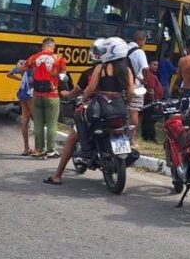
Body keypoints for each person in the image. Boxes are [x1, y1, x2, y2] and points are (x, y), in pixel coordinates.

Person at [44, 37, 134, 185]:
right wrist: (126, 104)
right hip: (121, 108)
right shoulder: (127, 70)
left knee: (77, 119)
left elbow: (90, 89)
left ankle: (69, 165)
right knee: (123, 127)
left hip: (102, 108)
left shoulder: (100, 68)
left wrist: (84, 100)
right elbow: (131, 91)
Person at [25, 38, 66, 159]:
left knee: (38, 124)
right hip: (52, 95)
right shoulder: (59, 59)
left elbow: (25, 67)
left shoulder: (34, 57)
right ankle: (51, 151)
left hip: (37, 95)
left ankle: (39, 150)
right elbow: (63, 76)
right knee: (52, 124)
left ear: (43, 47)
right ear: (53, 47)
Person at [126, 30, 150, 146]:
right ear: (141, 39)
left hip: (124, 86)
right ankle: (131, 139)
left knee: (124, 111)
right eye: (145, 40)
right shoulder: (139, 52)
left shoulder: (124, 49)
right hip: (136, 86)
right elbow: (145, 68)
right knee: (134, 112)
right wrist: (146, 80)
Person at [8, 60, 35, 156]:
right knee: (37, 119)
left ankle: (26, 148)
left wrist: (19, 79)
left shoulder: (21, 68)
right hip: (31, 95)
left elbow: (9, 74)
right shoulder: (31, 67)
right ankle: (39, 149)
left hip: (22, 95)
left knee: (24, 120)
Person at [140, 61, 163, 142]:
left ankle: (146, 136)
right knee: (150, 120)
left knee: (147, 119)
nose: (156, 67)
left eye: (157, 65)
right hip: (151, 102)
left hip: (151, 101)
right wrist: (154, 102)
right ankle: (151, 137)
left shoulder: (152, 76)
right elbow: (150, 90)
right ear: (149, 65)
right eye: (154, 65)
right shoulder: (151, 76)